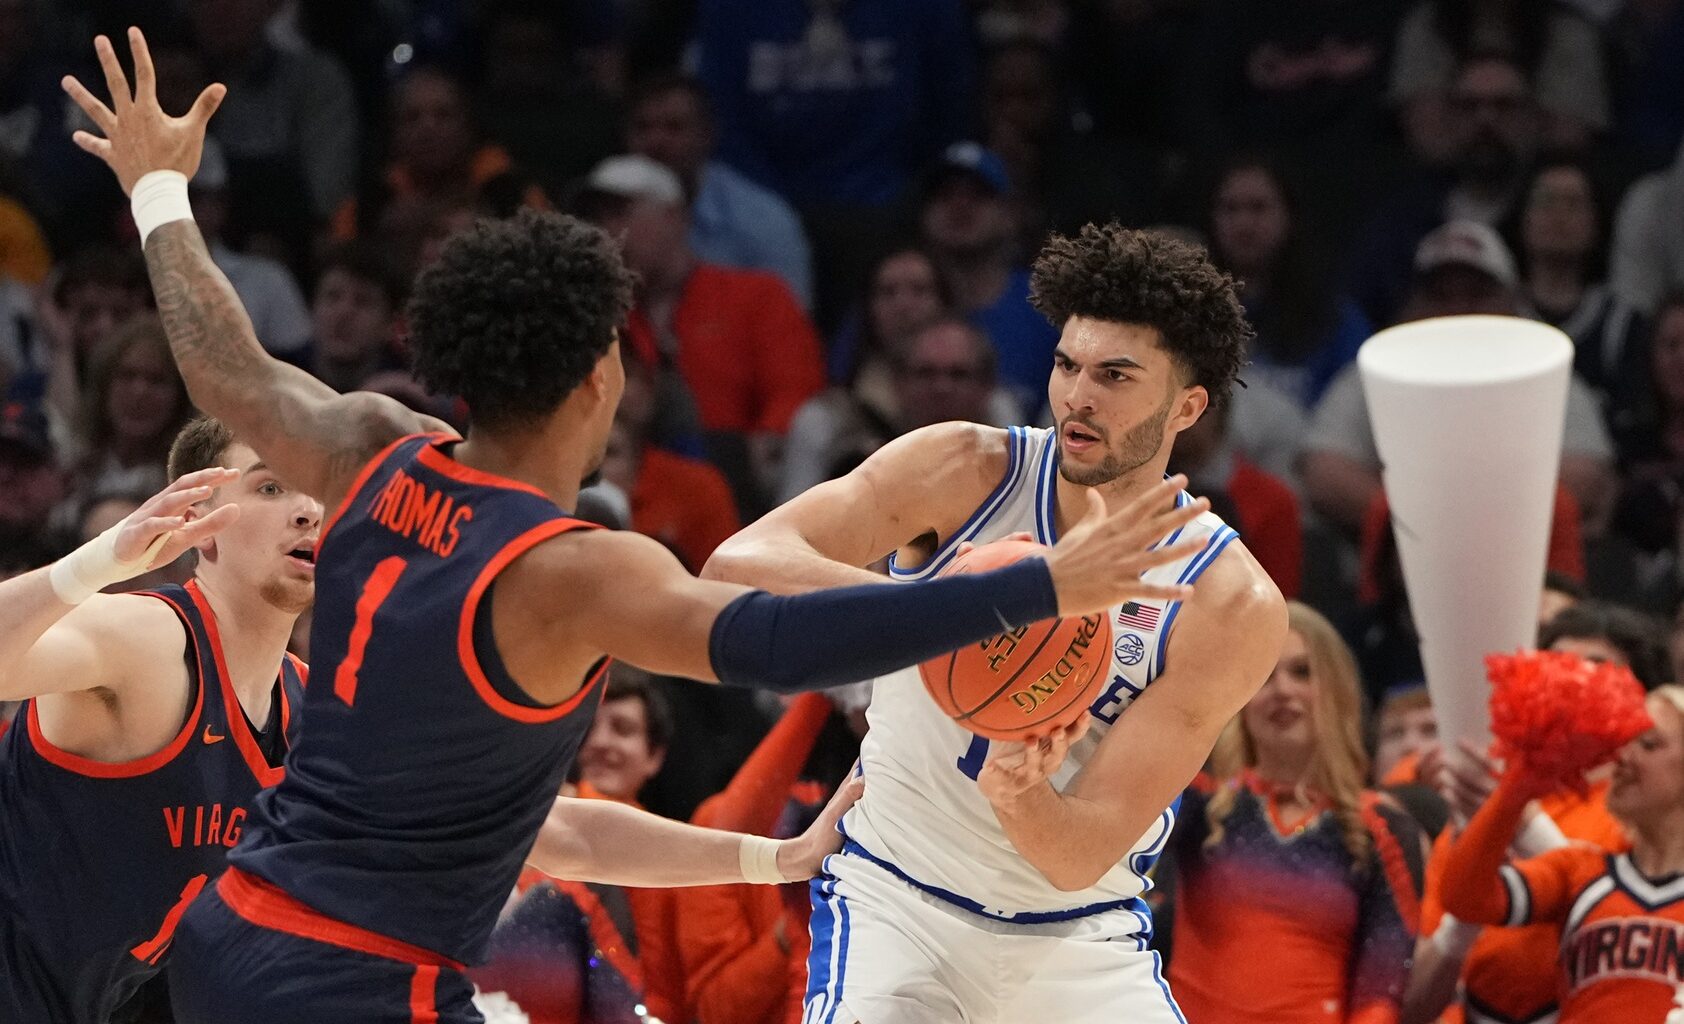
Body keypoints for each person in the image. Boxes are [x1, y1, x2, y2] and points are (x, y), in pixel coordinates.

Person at [62, 29, 1210, 1022]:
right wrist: (1036, 589)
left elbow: (227, 369)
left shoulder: (371, 447)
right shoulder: (572, 571)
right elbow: (772, 641)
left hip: (226, 934)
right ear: (600, 377)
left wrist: (158, 193)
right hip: (358, 978)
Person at [706, 222, 1288, 1022]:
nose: (1078, 396)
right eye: (1066, 365)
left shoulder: (1227, 601)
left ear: (1187, 406)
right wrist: (956, 612)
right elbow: (736, 566)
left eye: (1115, 376)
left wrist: (1020, 791)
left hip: (1078, 939)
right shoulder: (964, 470)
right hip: (897, 904)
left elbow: (1078, 854)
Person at [0, 416, 317, 1024]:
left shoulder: (306, 707)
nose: (308, 510)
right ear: (200, 522)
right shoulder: (149, 640)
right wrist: (95, 564)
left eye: (319, 489)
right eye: (271, 487)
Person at [1167, 602, 1425, 1024]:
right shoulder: (1200, 805)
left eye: (1302, 672)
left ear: (1337, 689)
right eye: (1263, 675)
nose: (1282, 690)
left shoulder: (1381, 827)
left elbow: (1380, 993)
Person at [1435, 685, 1684, 1022]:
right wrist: (1515, 791)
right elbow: (1465, 898)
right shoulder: (1581, 870)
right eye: (1621, 744)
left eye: (1649, 744)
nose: (1622, 757)